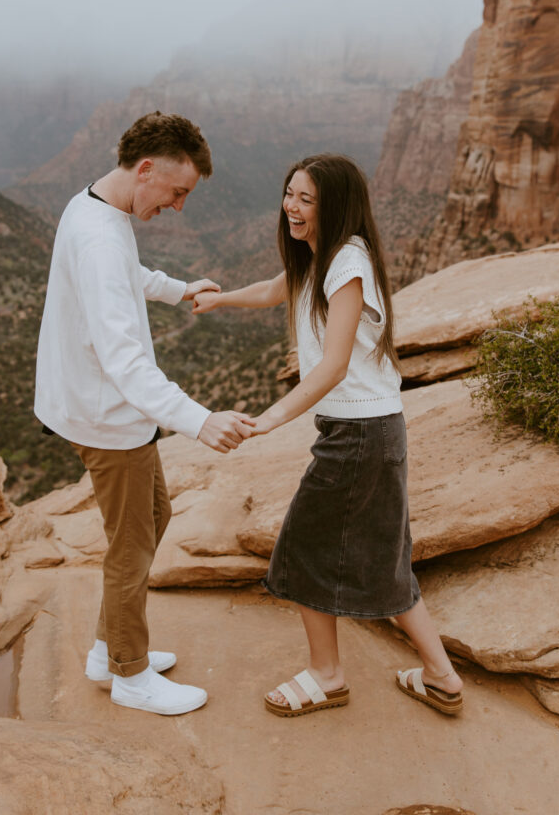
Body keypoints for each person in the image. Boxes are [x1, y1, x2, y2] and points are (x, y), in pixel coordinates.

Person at [192, 153, 464, 718]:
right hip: (375, 432)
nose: (291, 206)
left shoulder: (348, 263)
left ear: (334, 206)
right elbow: (277, 287)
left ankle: (327, 675)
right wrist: (222, 299)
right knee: (386, 560)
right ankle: (441, 678)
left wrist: (268, 419)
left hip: (359, 437)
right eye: (289, 193)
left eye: (306, 199)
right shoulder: (329, 257)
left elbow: (334, 366)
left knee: (302, 551)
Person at [35, 111, 254, 716]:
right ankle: (130, 675)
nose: (179, 207)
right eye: (178, 192)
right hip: (106, 417)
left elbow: (125, 277)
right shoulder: (100, 236)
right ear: (148, 168)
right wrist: (200, 419)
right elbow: (126, 362)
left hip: (97, 406)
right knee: (131, 545)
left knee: (154, 517)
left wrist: (178, 287)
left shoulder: (95, 208)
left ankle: (110, 651)